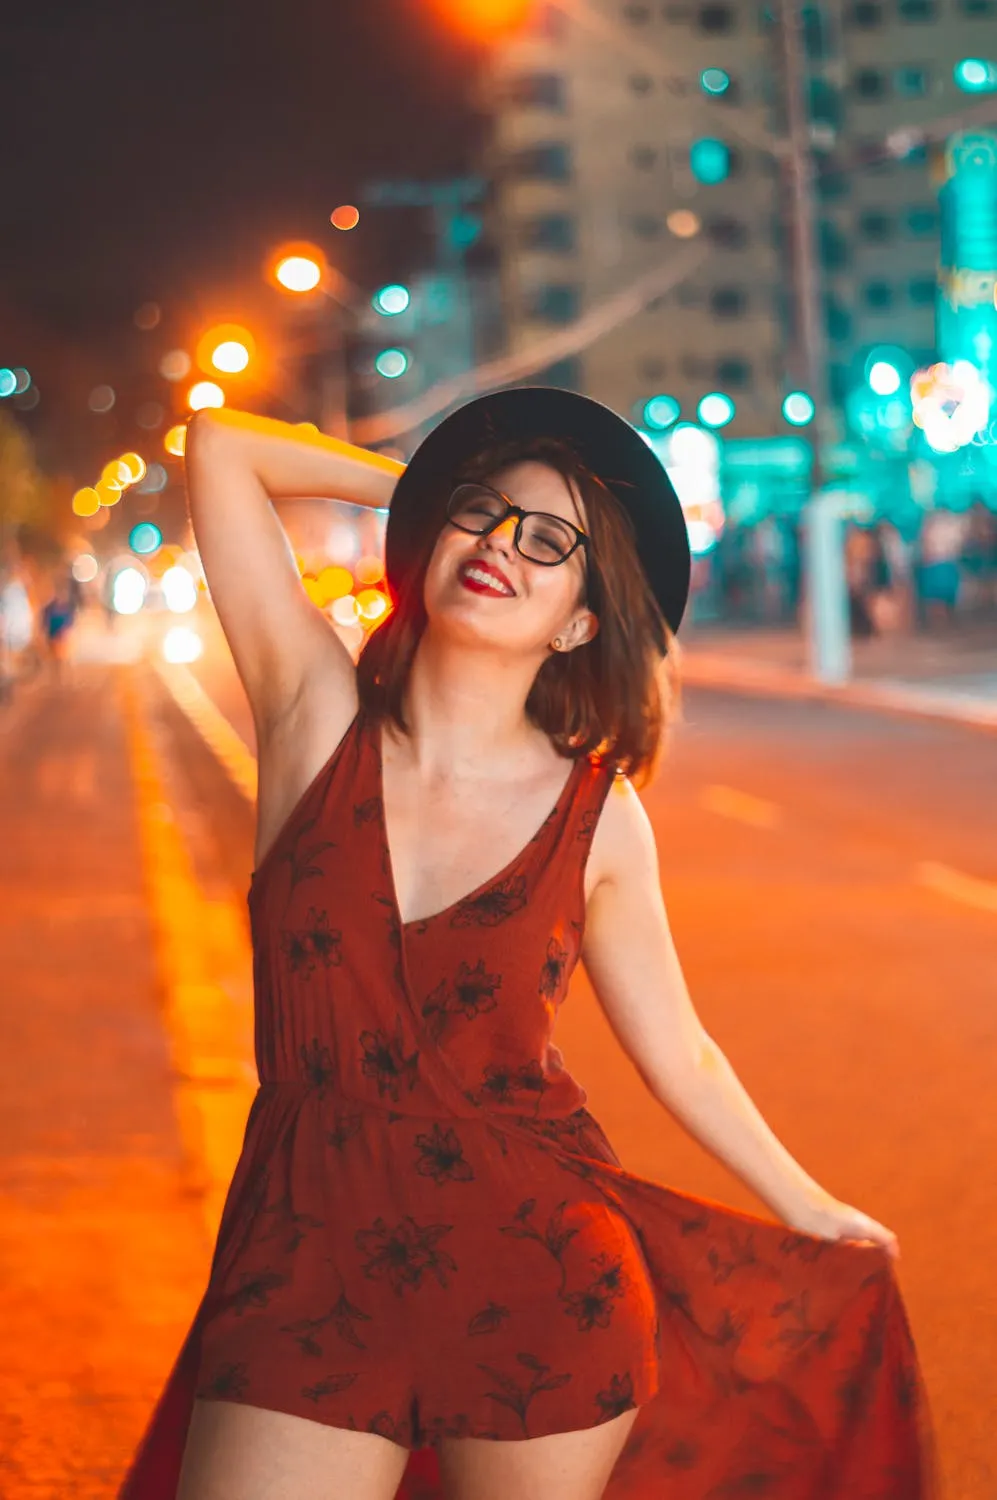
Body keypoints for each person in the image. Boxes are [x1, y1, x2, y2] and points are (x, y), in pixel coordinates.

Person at [119, 389, 933, 1500]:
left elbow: (680, 1051)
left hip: (541, 1272)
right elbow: (220, 446)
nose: (501, 545)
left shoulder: (599, 816)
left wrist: (809, 1208)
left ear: (578, 621)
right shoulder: (314, 721)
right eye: (485, 516)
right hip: (306, 1250)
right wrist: (416, 493)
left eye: (550, 543)